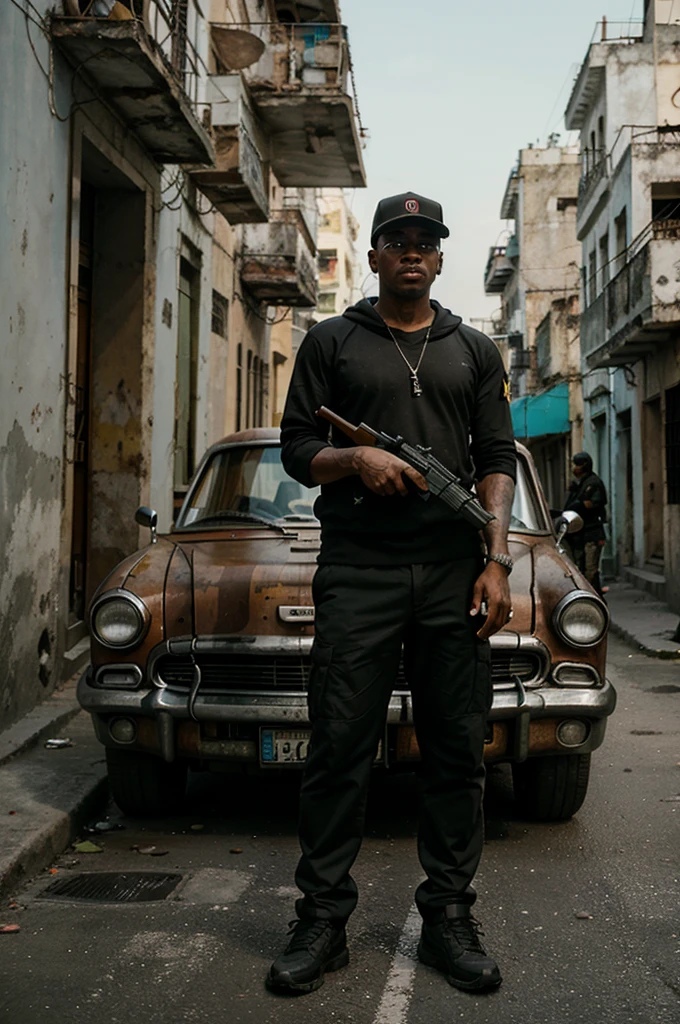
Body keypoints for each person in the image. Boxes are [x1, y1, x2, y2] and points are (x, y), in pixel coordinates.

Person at [269, 192, 517, 996]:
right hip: (359, 568)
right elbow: (299, 445)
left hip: (454, 572)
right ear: (373, 256)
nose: (412, 251)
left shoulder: (474, 348)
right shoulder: (331, 341)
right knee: (339, 746)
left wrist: (498, 559)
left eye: (426, 241)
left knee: (455, 752)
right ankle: (322, 922)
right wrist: (357, 463)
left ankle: (448, 916)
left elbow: (496, 458)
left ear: (440, 258)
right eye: (396, 240)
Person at [563, 451, 608, 596]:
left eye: (577, 465)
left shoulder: (593, 483)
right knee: (580, 569)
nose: (574, 468)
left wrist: (579, 505)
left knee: (590, 569)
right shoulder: (580, 484)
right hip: (580, 533)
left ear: (584, 465)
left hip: (592, 532)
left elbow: (592, 504)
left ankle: (595, 599)